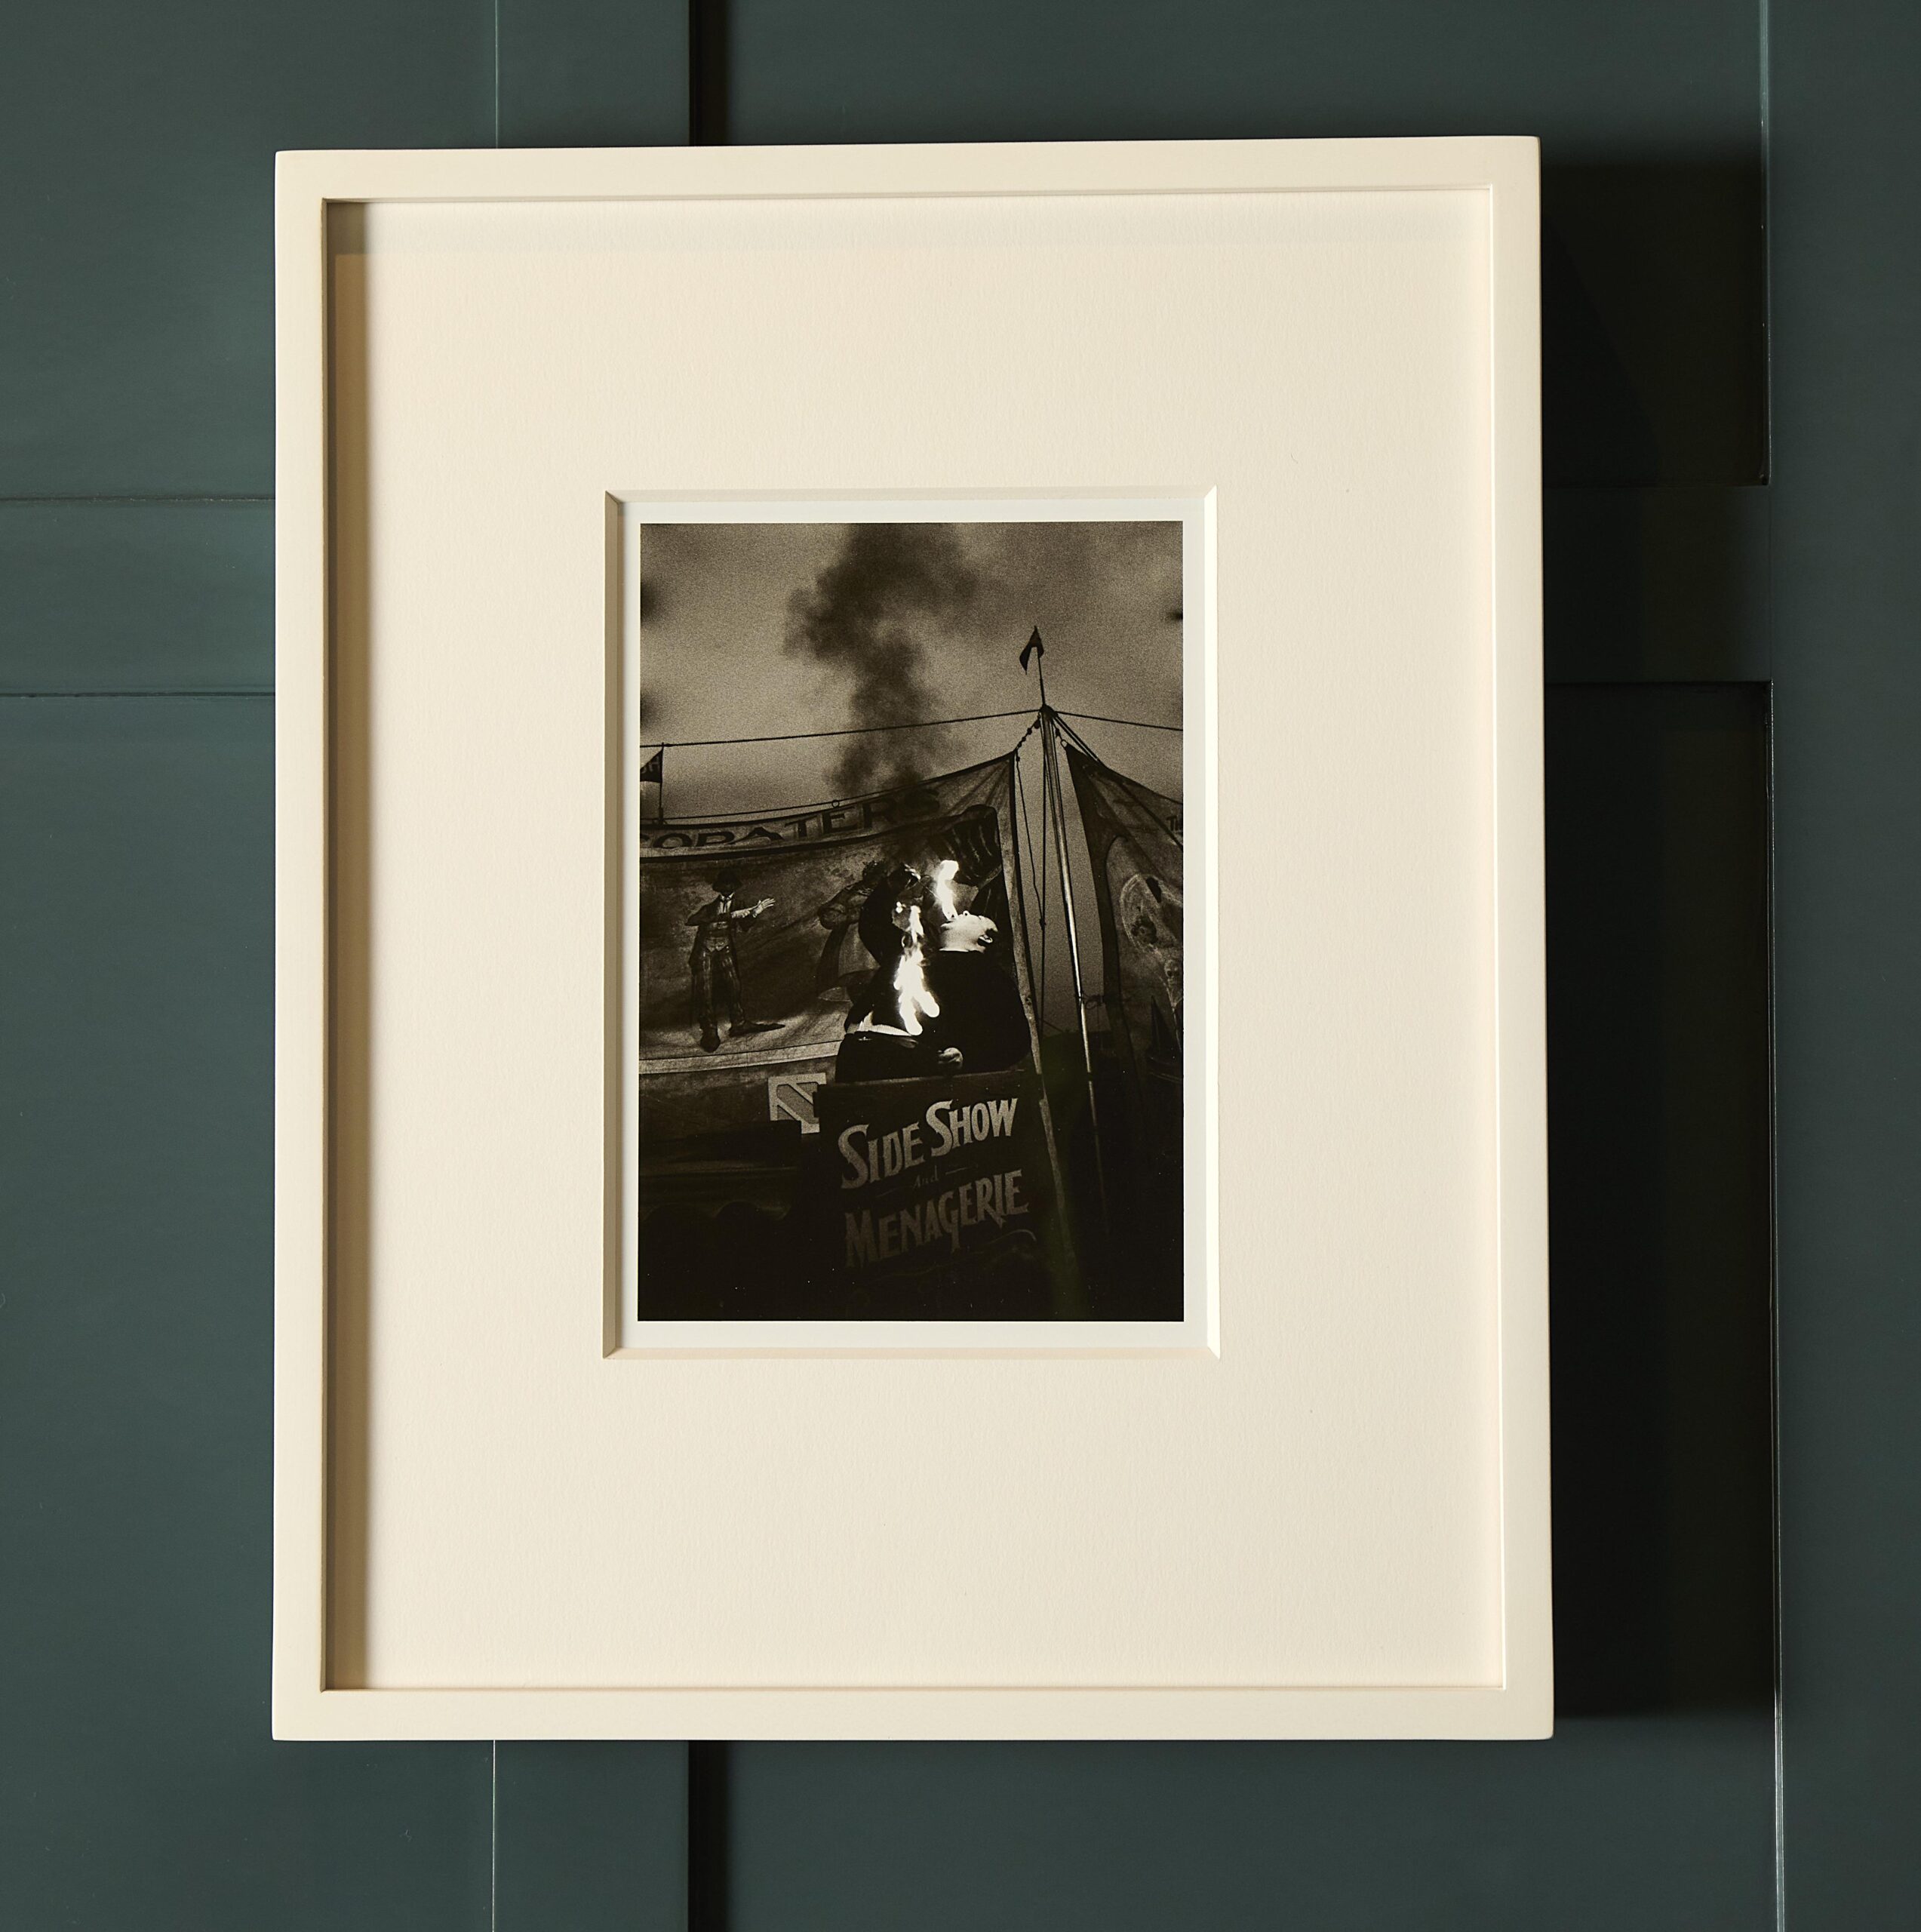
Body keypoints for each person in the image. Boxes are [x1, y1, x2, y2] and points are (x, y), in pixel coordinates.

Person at [685, 868, 779, 1052]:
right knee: (705, 989)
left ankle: (739, 1024)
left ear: (734, 887)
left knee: (733, 985)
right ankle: (710, 1030)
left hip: (725, 948)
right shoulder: (710, 907)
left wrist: (754, 913)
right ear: (719, 888)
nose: (727, 888)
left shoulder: (740, 903)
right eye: (724, 885)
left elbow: (745, 926)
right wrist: (729, 915)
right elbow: (691, 920)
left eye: (730, 885)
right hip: (705, 948)